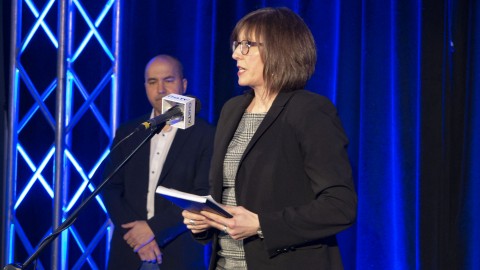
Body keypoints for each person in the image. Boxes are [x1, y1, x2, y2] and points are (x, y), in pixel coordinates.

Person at [181, 7, 357, 270]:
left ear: (278, 49)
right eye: (236, 44)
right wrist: (205, 220)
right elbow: (226, 193)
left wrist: (262, 225)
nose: (235, 54)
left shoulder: (309, 111)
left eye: (246, 45)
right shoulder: (232, 110)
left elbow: (340, 207)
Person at [102, 54, 215, 269]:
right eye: (152, 82)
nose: (160, 89)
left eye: (168, 80)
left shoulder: (205, 134)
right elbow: (110, 188)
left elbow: (201, 194)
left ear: (184, 84)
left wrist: (153, 230)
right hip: (128, 252)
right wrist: (136, 236)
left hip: (178, 252)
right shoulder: (130, 132)